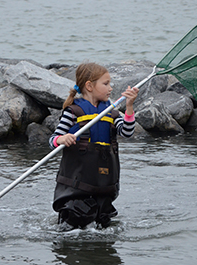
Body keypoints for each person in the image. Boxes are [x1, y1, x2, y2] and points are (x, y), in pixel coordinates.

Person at [49, 62, 139, 231]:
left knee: (101, 226)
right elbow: (53, 140)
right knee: (72, 227)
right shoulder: (73, 111)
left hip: (103, 184)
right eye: (105, 84)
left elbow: (127, 132)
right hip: (77, 186)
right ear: (89, 86)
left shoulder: (111, 112)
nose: (110, 88)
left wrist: (129, 106)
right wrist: (62, 140)